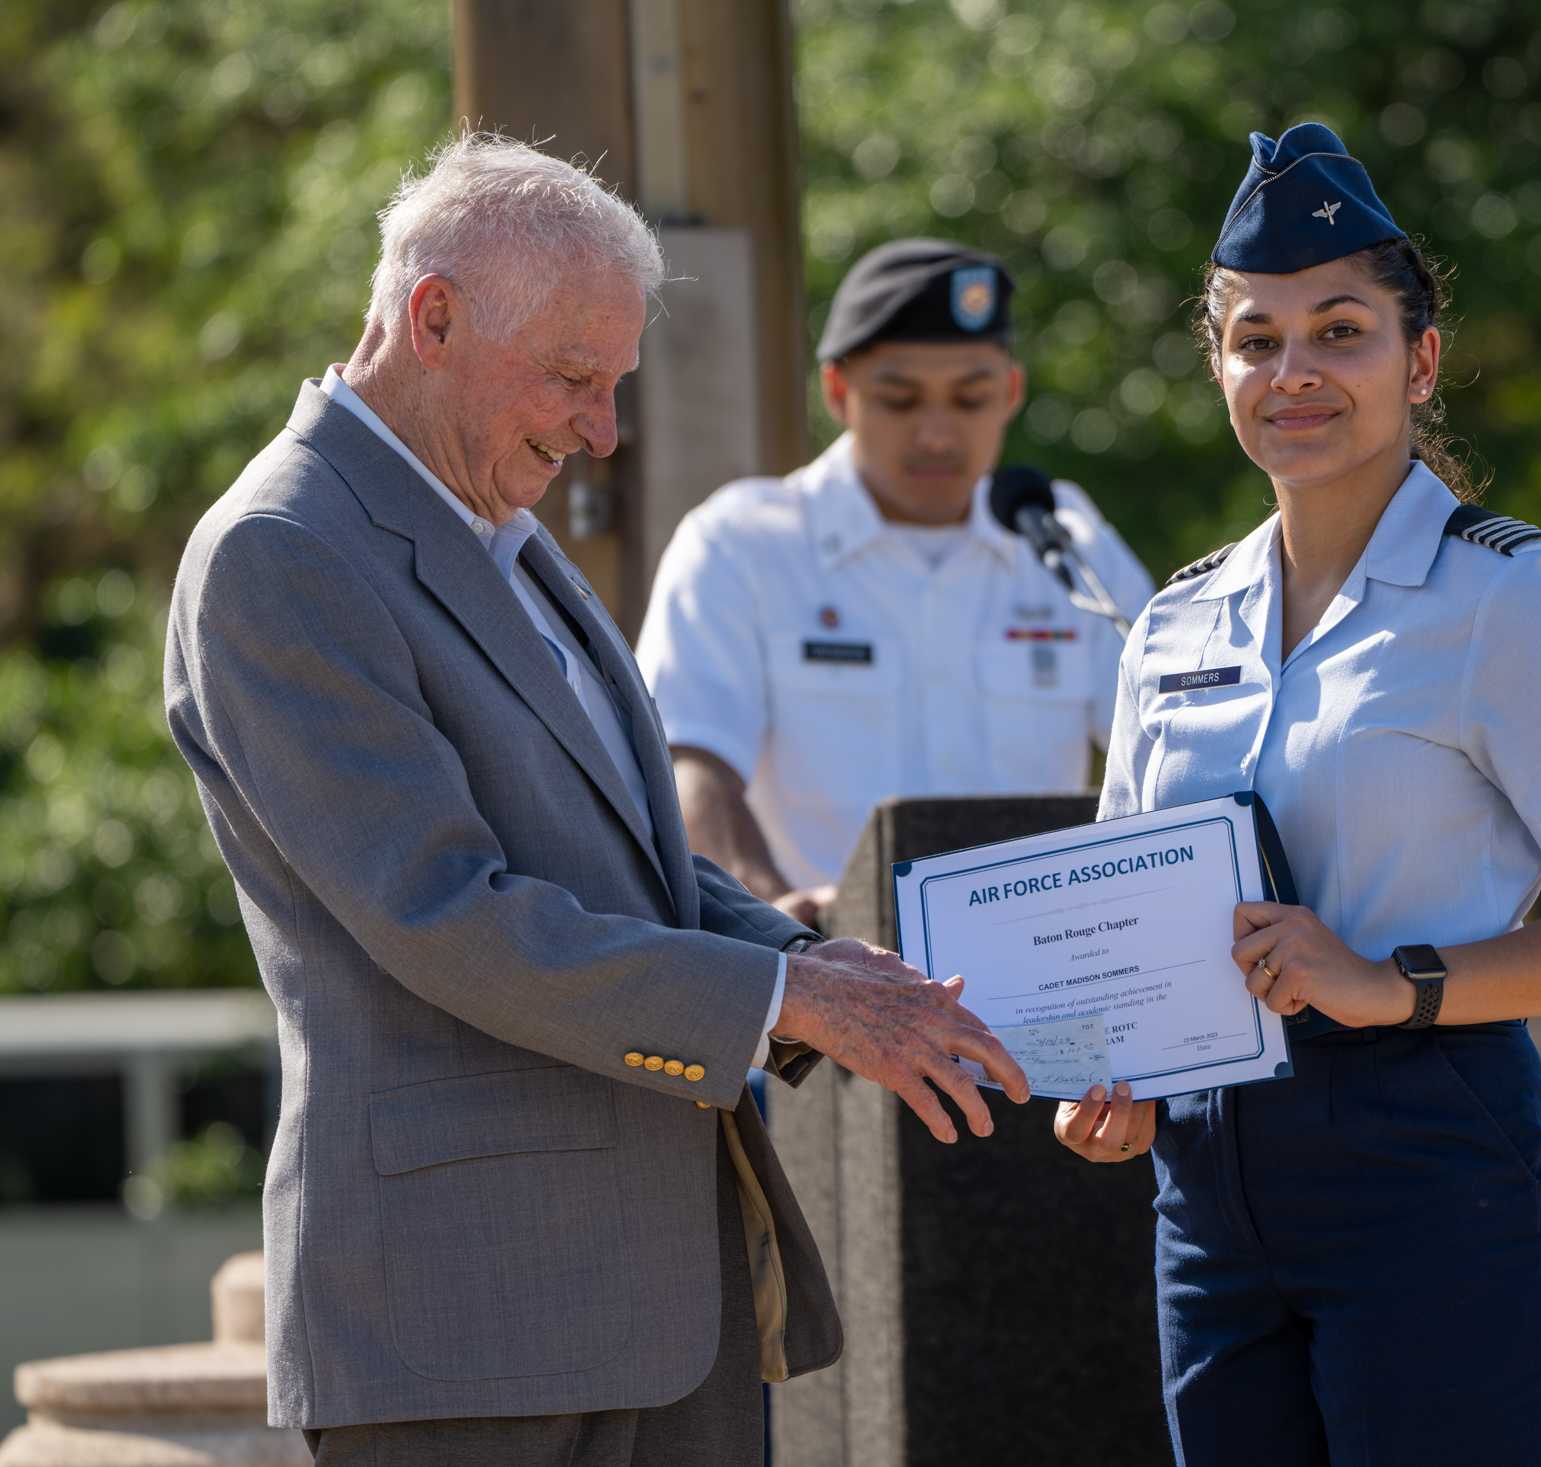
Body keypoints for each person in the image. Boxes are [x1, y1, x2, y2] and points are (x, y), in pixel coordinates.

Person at [163, 134, 1028, 1467]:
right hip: (465, 1329)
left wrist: (801, 953)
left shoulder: (494, 528)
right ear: (432, 315)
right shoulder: (284, 550)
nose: (603, 430)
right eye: (575, 377)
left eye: (615, 384)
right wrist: (787, 1001)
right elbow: (447, 913)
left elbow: (629, 858)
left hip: (657, 1307)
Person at [1052, 123, 1541, 1466]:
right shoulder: (1171, 622)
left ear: (1418, 360)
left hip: (1433, 1162)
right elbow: (1128, 918)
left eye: (1338, 331)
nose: (1292, 372)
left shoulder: (1503, 598)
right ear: (1218, 364)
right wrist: (1103, 1067)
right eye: (1255, 338)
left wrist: (1387, 979)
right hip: (1209, 1193)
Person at [635, 240, 1155, 925]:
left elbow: (1165, 744)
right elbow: (688, 762)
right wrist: (773, 917)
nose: (937, 434)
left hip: (1048, 969)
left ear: (1012, 392)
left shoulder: (1065, 541)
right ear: (839, 390)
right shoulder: (744, 544)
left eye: (971, 398)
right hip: (833, 971)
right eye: (900, 399)